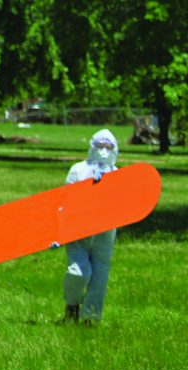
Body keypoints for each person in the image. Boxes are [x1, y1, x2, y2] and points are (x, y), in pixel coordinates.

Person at [61, 129, 120, 324]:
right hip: (79, 230)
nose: (103, 150)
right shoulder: (78, 170)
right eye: (100, 146)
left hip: (105, 231)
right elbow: (65, 199)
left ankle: (91, 317)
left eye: (108, 146)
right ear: (92, 147)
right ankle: (72, 306)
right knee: (78, 271)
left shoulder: (118, 174)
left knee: (100, 274)